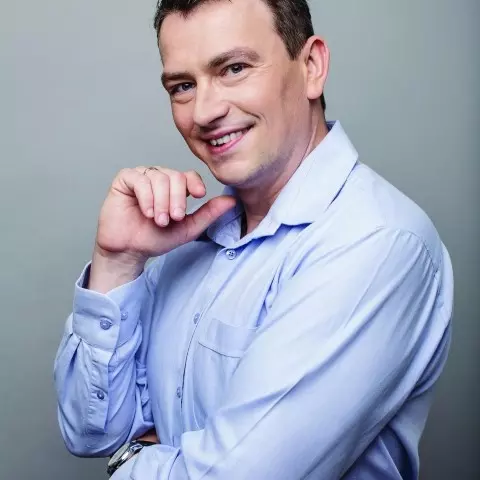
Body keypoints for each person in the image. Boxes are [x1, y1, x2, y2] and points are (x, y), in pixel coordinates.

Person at [53, 0, 454, 478]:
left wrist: (129, 459)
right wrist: (117, 263)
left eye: (234, 69)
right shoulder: (183, 247)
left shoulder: (376, 241)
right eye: (183, 86)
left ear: (311, 66)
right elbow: (91, 431)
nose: (205, 112)